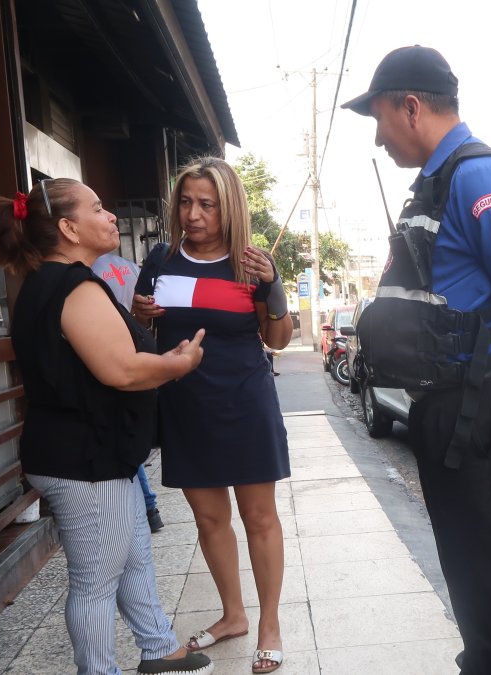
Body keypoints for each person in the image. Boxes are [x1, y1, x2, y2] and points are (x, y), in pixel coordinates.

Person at [341, 46, 491, 674]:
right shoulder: (440, 180)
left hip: (485, 408)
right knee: (470, 566)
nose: (380, 135)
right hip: (450, 403)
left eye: (379, 116)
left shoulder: (481, 175)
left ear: (410, 106)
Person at [0, 179, 211, 675]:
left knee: (132, 557)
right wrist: (179, 364)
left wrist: (162, 359)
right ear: (68, 228)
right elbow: (120, 370)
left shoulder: (54, 282)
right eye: (98, 208)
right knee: (95, 582)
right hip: (83, 459)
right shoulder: (71, 285)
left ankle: (160, 648)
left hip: (96, 453)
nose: (109, 217)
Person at [132, 157, 293, 675]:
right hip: (186, 401)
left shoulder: (254, 264)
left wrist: (275, 291)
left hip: (245, 398)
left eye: (207, 204)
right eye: (186, 202)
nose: (194, 214)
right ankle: (233, 615)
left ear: (229, 208)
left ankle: (269, 624)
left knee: (259, 516)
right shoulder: (160, 258)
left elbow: (278, 341)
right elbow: (143, 332)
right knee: (208, 518)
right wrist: (140, 315)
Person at [92, 252, 165, 533]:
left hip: (111, 351)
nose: (109, 218)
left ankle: (146, 505)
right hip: (136, 342)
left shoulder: (91, 271)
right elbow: (144, 308)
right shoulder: (130, 268)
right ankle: (147, 506)